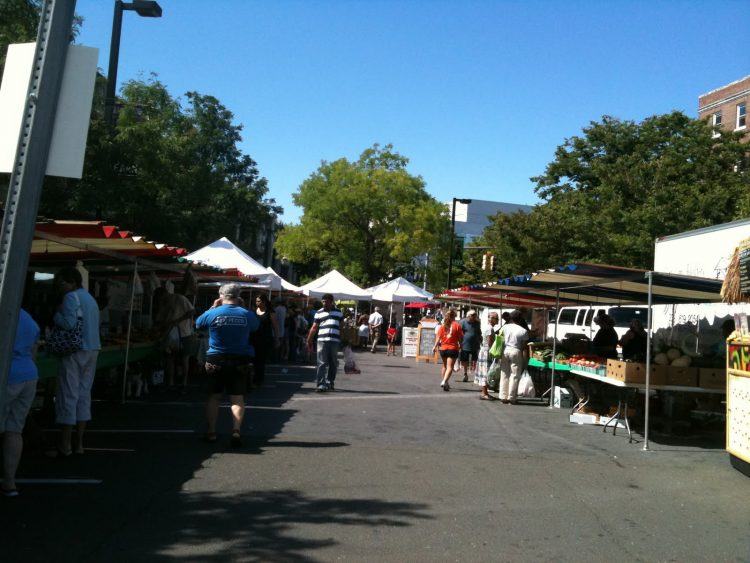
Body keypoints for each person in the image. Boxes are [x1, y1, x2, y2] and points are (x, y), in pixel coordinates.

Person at [196, 283, 259, 447]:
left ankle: (211, 432)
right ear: (238, 296)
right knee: (237, 398)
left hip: (215, 358)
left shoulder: (213, 313)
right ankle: (236, 430)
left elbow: (198, 323)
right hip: (240, 359)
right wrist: (244, 307)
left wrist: (212, 307)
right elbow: (255, 327)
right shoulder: (246, 314)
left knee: (214, 396)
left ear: (221, 295)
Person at [49, 267, 101, 457]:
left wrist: (56, 316)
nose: (59, 286)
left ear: (71, 282)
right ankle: (79, 444)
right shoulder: (90, 299)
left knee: (68, 395)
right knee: (83, 395)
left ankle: (65, 445)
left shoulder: (71, 298)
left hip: (74, 351)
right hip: (92, 349)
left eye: (62, 282)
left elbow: (69, 324)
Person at [1, 308, 40, 496]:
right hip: (29, 375)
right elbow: (34, 352)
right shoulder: (28, 318)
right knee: (14, 430)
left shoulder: (4, 312)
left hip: (7, 376)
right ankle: (9, 483)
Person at [155, 287, 195, 390]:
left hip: (184, 333)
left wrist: (177, 320)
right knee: (170, 358)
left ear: (165, 294)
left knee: (184, 358)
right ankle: (171, 382)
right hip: (169, 334)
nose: (160, 300)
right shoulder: (163, 303)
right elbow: (160, 319)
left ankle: (184, 383)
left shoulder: (179, 298)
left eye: (160, 297)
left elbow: (191, 311)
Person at [307, 293, 343, 392]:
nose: (324, 303)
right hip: (322, 340)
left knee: (333, 363)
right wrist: (309, 339)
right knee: (321, 363)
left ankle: (330, 382)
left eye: (326, 301)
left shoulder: (339, 312)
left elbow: (341, 327)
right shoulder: (318, 312)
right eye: (323, 301)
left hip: (334, 341)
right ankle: (321, 384)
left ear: (331, 302)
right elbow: (314, 327)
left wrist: (343, 340)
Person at [498, 310, 530, 404]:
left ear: (511, 318)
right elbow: (524, 347)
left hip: (505, 350)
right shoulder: (523, 331)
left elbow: (500, 339)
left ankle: (503, 396)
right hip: (516, 351)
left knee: (504, 373)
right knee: (514, 375)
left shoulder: (505, 327)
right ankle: (511, 397)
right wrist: (525, 360)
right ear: (520, 319)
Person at [252, 293, 280, 388]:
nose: (257, 303)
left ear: (264, 302)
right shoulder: (254, 311)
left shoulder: (270, 312)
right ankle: (256, 378)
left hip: (265, 339)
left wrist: (277, 339)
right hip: (254, 339)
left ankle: (258, 379)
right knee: (254, 360)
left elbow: (275, 327)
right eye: (256, 301)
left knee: (260, 360)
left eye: (259, 301)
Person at [432, 308, 463, 392]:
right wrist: (461, 346)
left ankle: (446, 383)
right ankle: (444, 381)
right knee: (450, 367)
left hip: (443, 349)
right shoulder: (457, 326)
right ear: (454, 317)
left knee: (445, 366)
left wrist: (434, 347)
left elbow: (438, 338)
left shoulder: (443, 326)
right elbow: (460, 338)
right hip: (453, 348)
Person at [476, 311, 500, 399]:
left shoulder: (488, 328)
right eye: (497, 318)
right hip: (487, 352)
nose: (498, 320)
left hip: (484, 351)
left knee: (485, 371)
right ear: (492, 319)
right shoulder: (490, 329)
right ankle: (484, 392)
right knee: (486, 372)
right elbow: (490, 342)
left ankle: (485, 392)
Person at [459, 310, 481, 382]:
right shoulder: (463, 322)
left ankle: (476, 375)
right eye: (473, 315)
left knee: (475, 360)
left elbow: (479, 332)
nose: (474, 317)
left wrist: (480, 340)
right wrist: (459, 342)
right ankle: (465, 374)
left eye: (475, 315)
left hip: (475, 344)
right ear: (468, 316)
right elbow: (459, 332)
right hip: (465, 344)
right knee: (465, 360)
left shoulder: (477, 323)